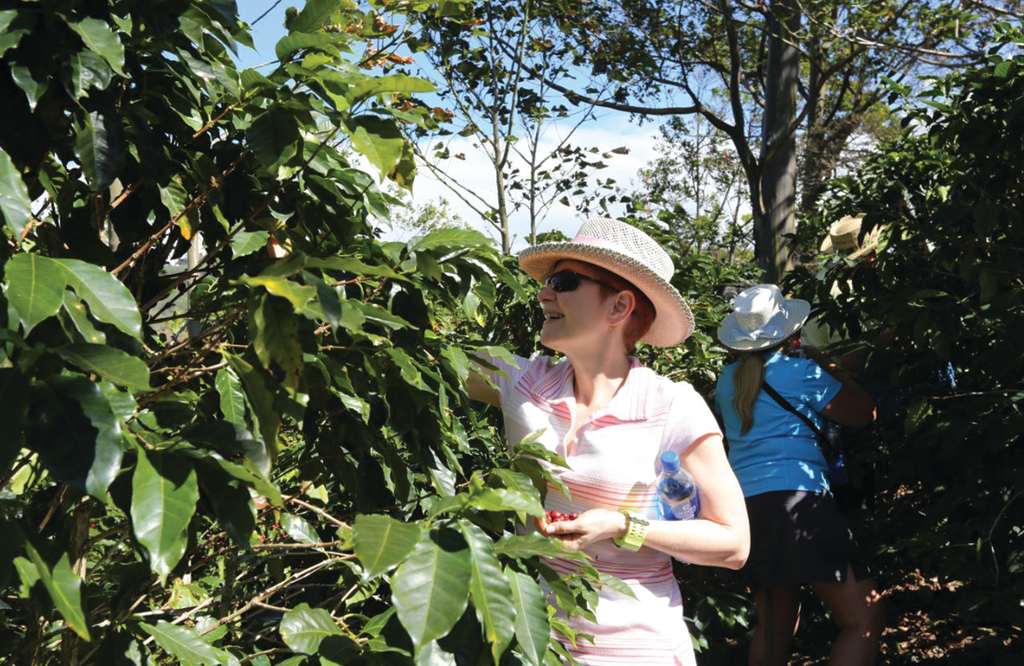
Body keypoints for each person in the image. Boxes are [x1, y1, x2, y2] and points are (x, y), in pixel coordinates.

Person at [466, 217, 750, 665]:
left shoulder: (669, 404)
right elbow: (412, 356)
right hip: (540, 646)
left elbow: (733, 543)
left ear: (619, 306)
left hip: (638, 650)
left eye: (564, 282)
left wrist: (621, 526)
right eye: (548, 282)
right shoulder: (521, 382)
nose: (543, 294)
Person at [714, 284, 886, 666]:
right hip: (799, 500)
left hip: (748, 508)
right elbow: (864, 413)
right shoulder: (801, 372)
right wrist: (828, 363)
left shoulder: (726, 381)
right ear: (789, 331)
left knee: (775, 626)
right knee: (864, 618)